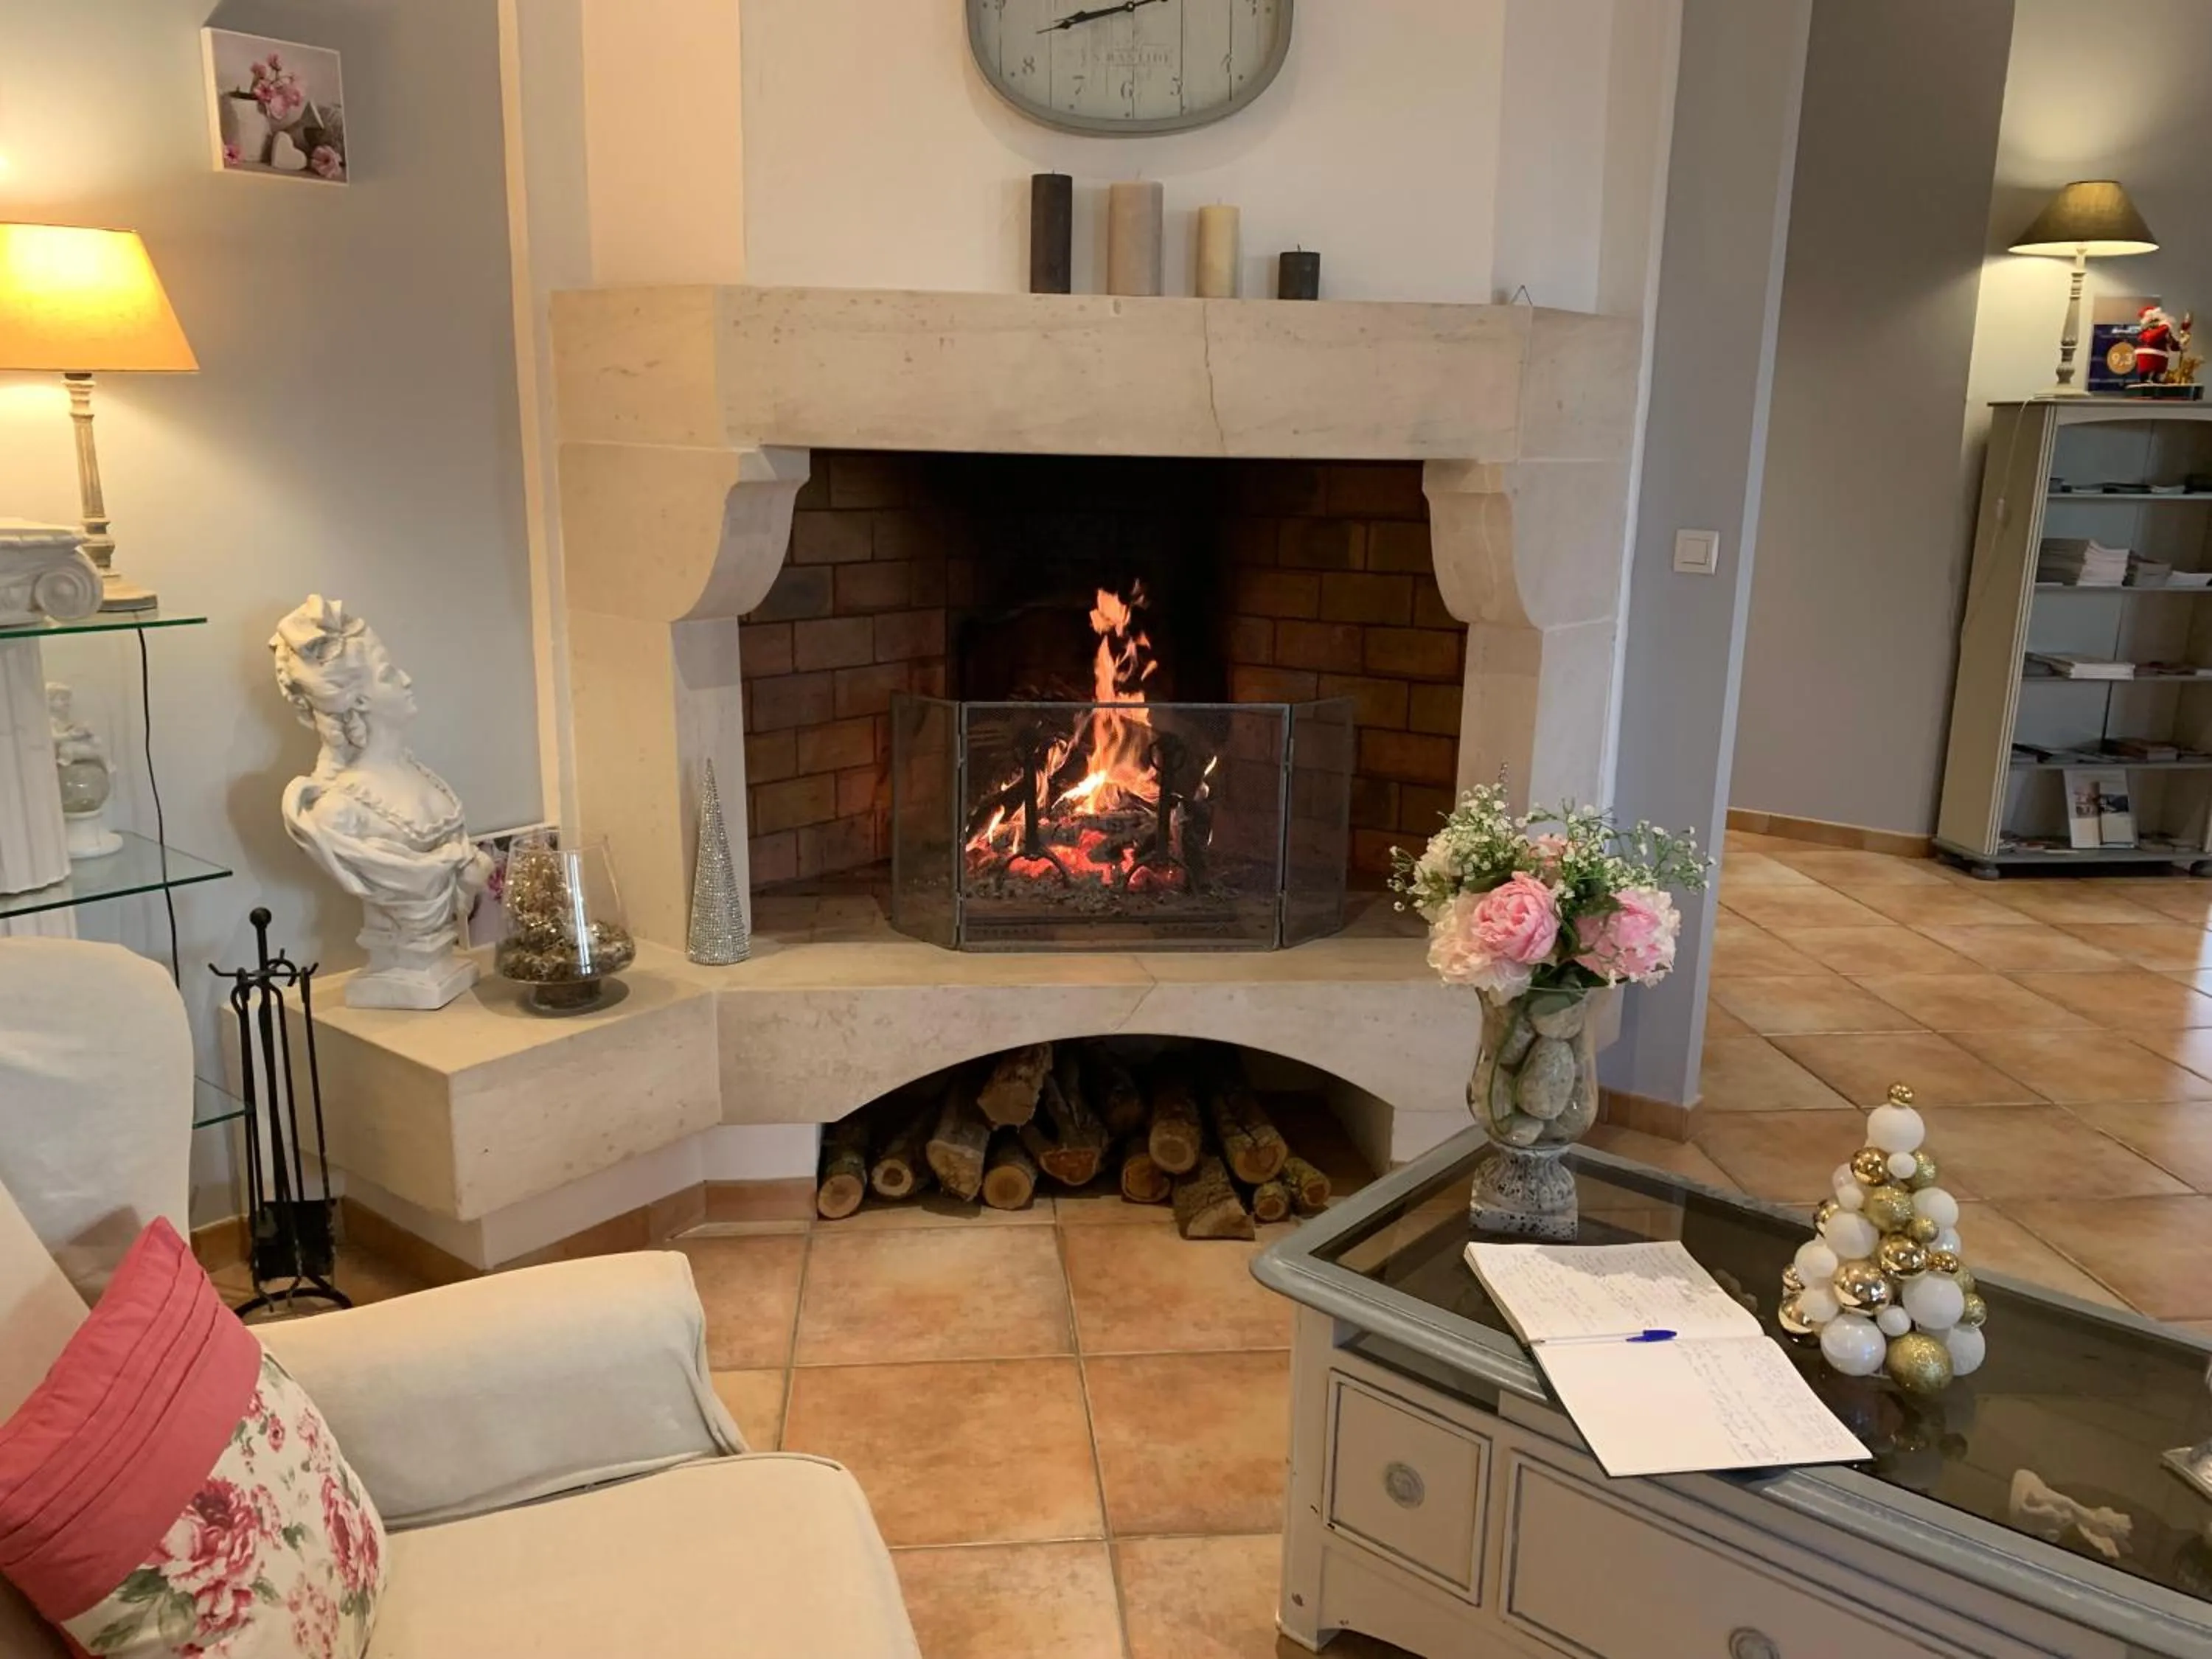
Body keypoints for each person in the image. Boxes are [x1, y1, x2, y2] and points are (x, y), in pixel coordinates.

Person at [269, 594, 491, 1008]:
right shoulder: (338, 811)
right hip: (400, 975)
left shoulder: (423, 778)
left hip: (445, 969)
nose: (406, 679)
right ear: (358, 700)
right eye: (388, 674)